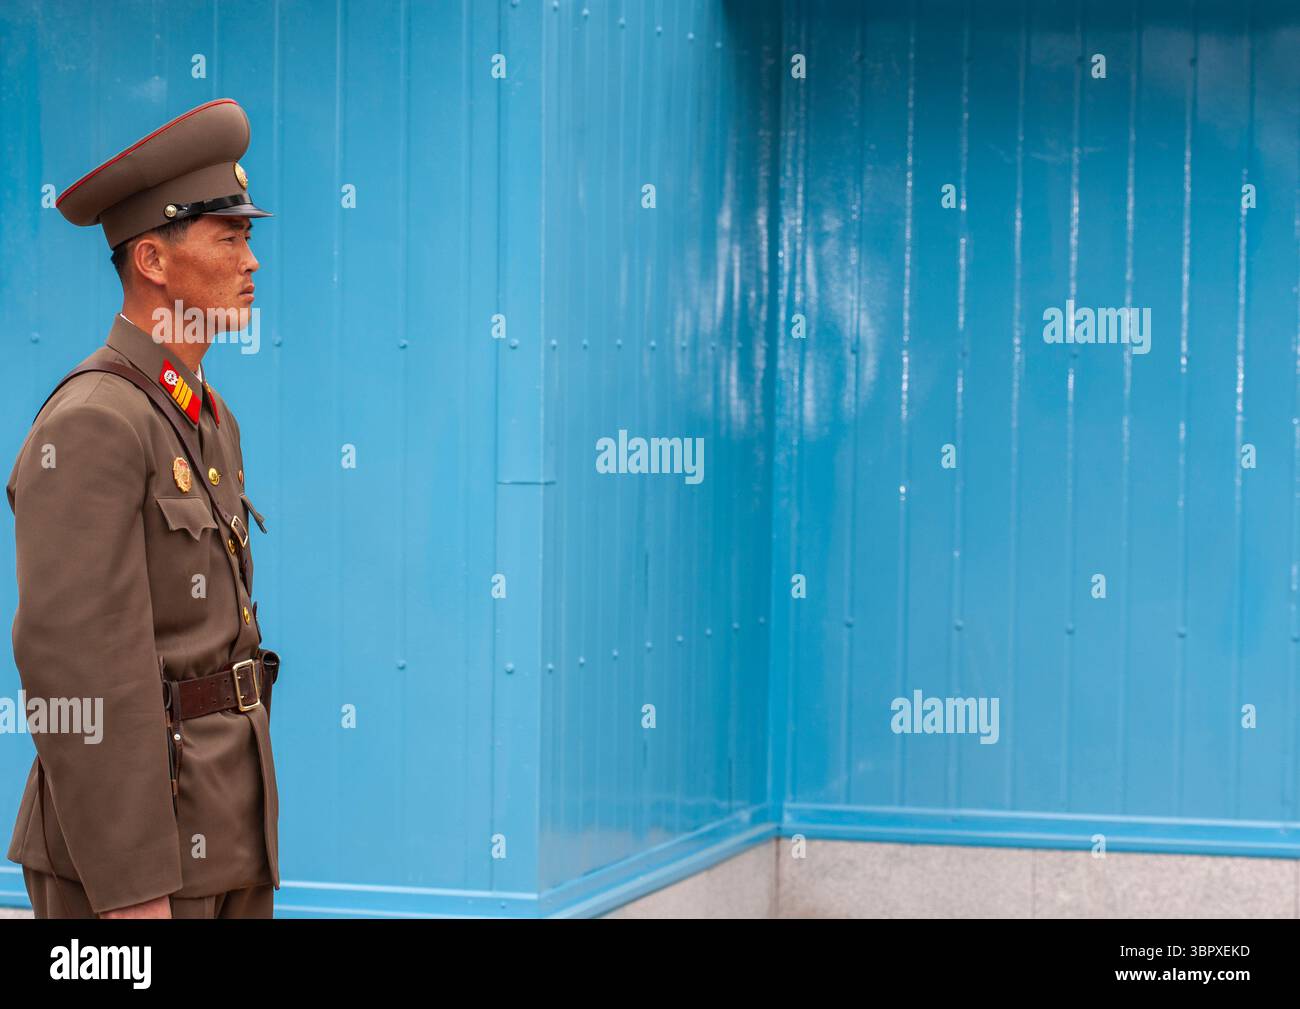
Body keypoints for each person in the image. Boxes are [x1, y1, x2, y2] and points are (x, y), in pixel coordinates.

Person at [5, 98, 282, 919]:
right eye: (228, 237)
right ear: (154, 260)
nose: (251, 260)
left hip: (224, 835)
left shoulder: (205, 415)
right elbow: (76, 672)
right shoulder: (95, 419)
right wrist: (134, 895)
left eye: (249, 236)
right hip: (133, 864)